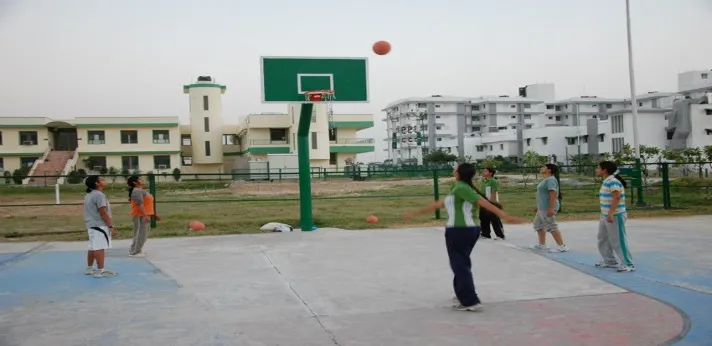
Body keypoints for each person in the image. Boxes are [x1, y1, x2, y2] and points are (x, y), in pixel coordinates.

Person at [404, 163, 527, 312]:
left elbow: (483, 202)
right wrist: (417, 213)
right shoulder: (458, 187)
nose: (454, 169)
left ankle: (470, 301)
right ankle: (462, 293)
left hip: (460, 230)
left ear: (459, 173)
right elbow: (440, 203)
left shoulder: (462, 188)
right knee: (461, 263)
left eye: (456, 168)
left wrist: (505, 216)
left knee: (459, 264)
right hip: (465, 230)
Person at [595, 161, 635, 272]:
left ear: (605, 170)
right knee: (602, 238)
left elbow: (616, 197)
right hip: (605, 215)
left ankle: (628, 264)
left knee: (618, 240)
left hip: (615, 215)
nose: (596, 170)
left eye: (598, 168)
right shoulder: (606, 181)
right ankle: (609, 261)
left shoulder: (613, 181)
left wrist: (611, 213)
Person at [83, 175, 117, 278]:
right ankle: (100, 270)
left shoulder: (89, 194)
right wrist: (111, 226)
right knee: (99, 247)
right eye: (102, 179)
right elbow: (103, 212)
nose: (105, 180)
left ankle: (89, 268)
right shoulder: (99, 195)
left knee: (93, 247)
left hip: (92, 224)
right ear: (97, 183)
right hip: (99, 225)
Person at [532, 163, 569, 252]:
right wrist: (538, 207)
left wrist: (551, 208)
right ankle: (542, 244)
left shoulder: (550, 180)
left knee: (551, 226)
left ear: (549, 170)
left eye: (544, 167)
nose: (541, 168)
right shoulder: (546, 179)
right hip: (542, 207)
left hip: (547, 207)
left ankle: (562, 246)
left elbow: (553, 194)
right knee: (538, 225)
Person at [127, 175, 160, 258]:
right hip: (139, 215)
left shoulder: (140, 190)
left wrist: (153, 214)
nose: (142, 180)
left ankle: (135, 250)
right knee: (140, 234)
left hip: (144, 214)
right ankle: (135, 252)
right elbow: (140, 204)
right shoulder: (137, 190)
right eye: (140, 179)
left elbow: (147, 204)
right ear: (135, 182)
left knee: (142, 234)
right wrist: (145, 215)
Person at [479, 167, 505, 240]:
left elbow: (494, 192)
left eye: (486, 171)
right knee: (483, 218)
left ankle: (500, 235)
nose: (483, 172)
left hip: (491, 203)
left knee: (494, 219)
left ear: (490, 173)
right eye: (483, 171)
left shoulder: (493, 181)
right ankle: (485, 234)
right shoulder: (484, 181)